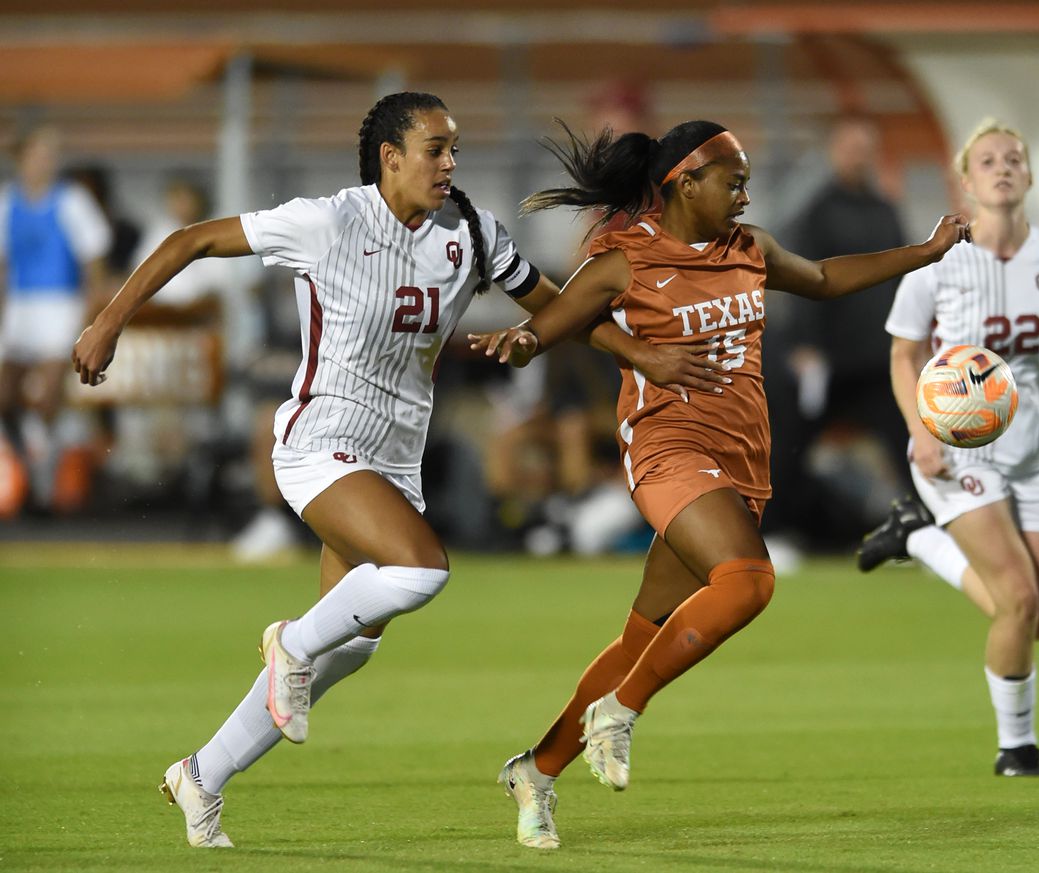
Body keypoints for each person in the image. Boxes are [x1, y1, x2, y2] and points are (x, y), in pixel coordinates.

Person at [71, 91, 721, 849]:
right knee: (420, 571)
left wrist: (639, 352)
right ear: (390, 158)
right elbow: (191, 241)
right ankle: (288, 640)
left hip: (390, 465)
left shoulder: (472, 233)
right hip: (320, 444)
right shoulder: (328, 221)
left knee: (348, 648)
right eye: (436, 149)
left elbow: (552, 304)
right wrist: (108, 320)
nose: (451, 163)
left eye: (455, 150)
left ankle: (201, 775)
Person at [468, 119, 969, 849]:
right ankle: (621, 711)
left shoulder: (750, 248)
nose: (744, 192)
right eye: (731, 179)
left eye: (744, 180)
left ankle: (536, 771)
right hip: (667, 448)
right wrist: (521, 343)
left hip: (741, 459)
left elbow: (826, 278)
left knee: (640, 635)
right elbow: (554, 322)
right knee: (749, 581)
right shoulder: (624, 260)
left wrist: (922, 252)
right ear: (683, 183)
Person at [855, 118, 1039, 777]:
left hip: (1031, 455)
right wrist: (921, 431)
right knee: (1016, 600)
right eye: (987, 160)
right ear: (966, 181)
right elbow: (904, 355)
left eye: (1013, 158)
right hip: (956, 453)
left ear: (1029, 175)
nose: (1002, 167)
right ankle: (1015, 747)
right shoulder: (936, 261)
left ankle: (917, 538)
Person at [766, 115, 909, 546]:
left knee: (913, 444)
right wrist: (806, 347)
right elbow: (802, 279)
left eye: (865, 147)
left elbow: (906, 277)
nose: (858, 156)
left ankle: (935, 534)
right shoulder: (817, 214)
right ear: (834, 152)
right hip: (828, 362)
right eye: (850, 147)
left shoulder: (886, 211)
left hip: (879, 358)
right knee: (786, 446)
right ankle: (771, 534)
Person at [1, 125, 111, 515]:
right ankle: (33, 455)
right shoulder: (7, 202)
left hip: (60, 303)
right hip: (20, 305)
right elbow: (4, 263)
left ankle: (44, 470)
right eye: (39, 153)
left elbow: (92, 259)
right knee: (5, 395)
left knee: (49, 390)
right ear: (23, 158)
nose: (45, 162)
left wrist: (92, 315)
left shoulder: (72, 201)